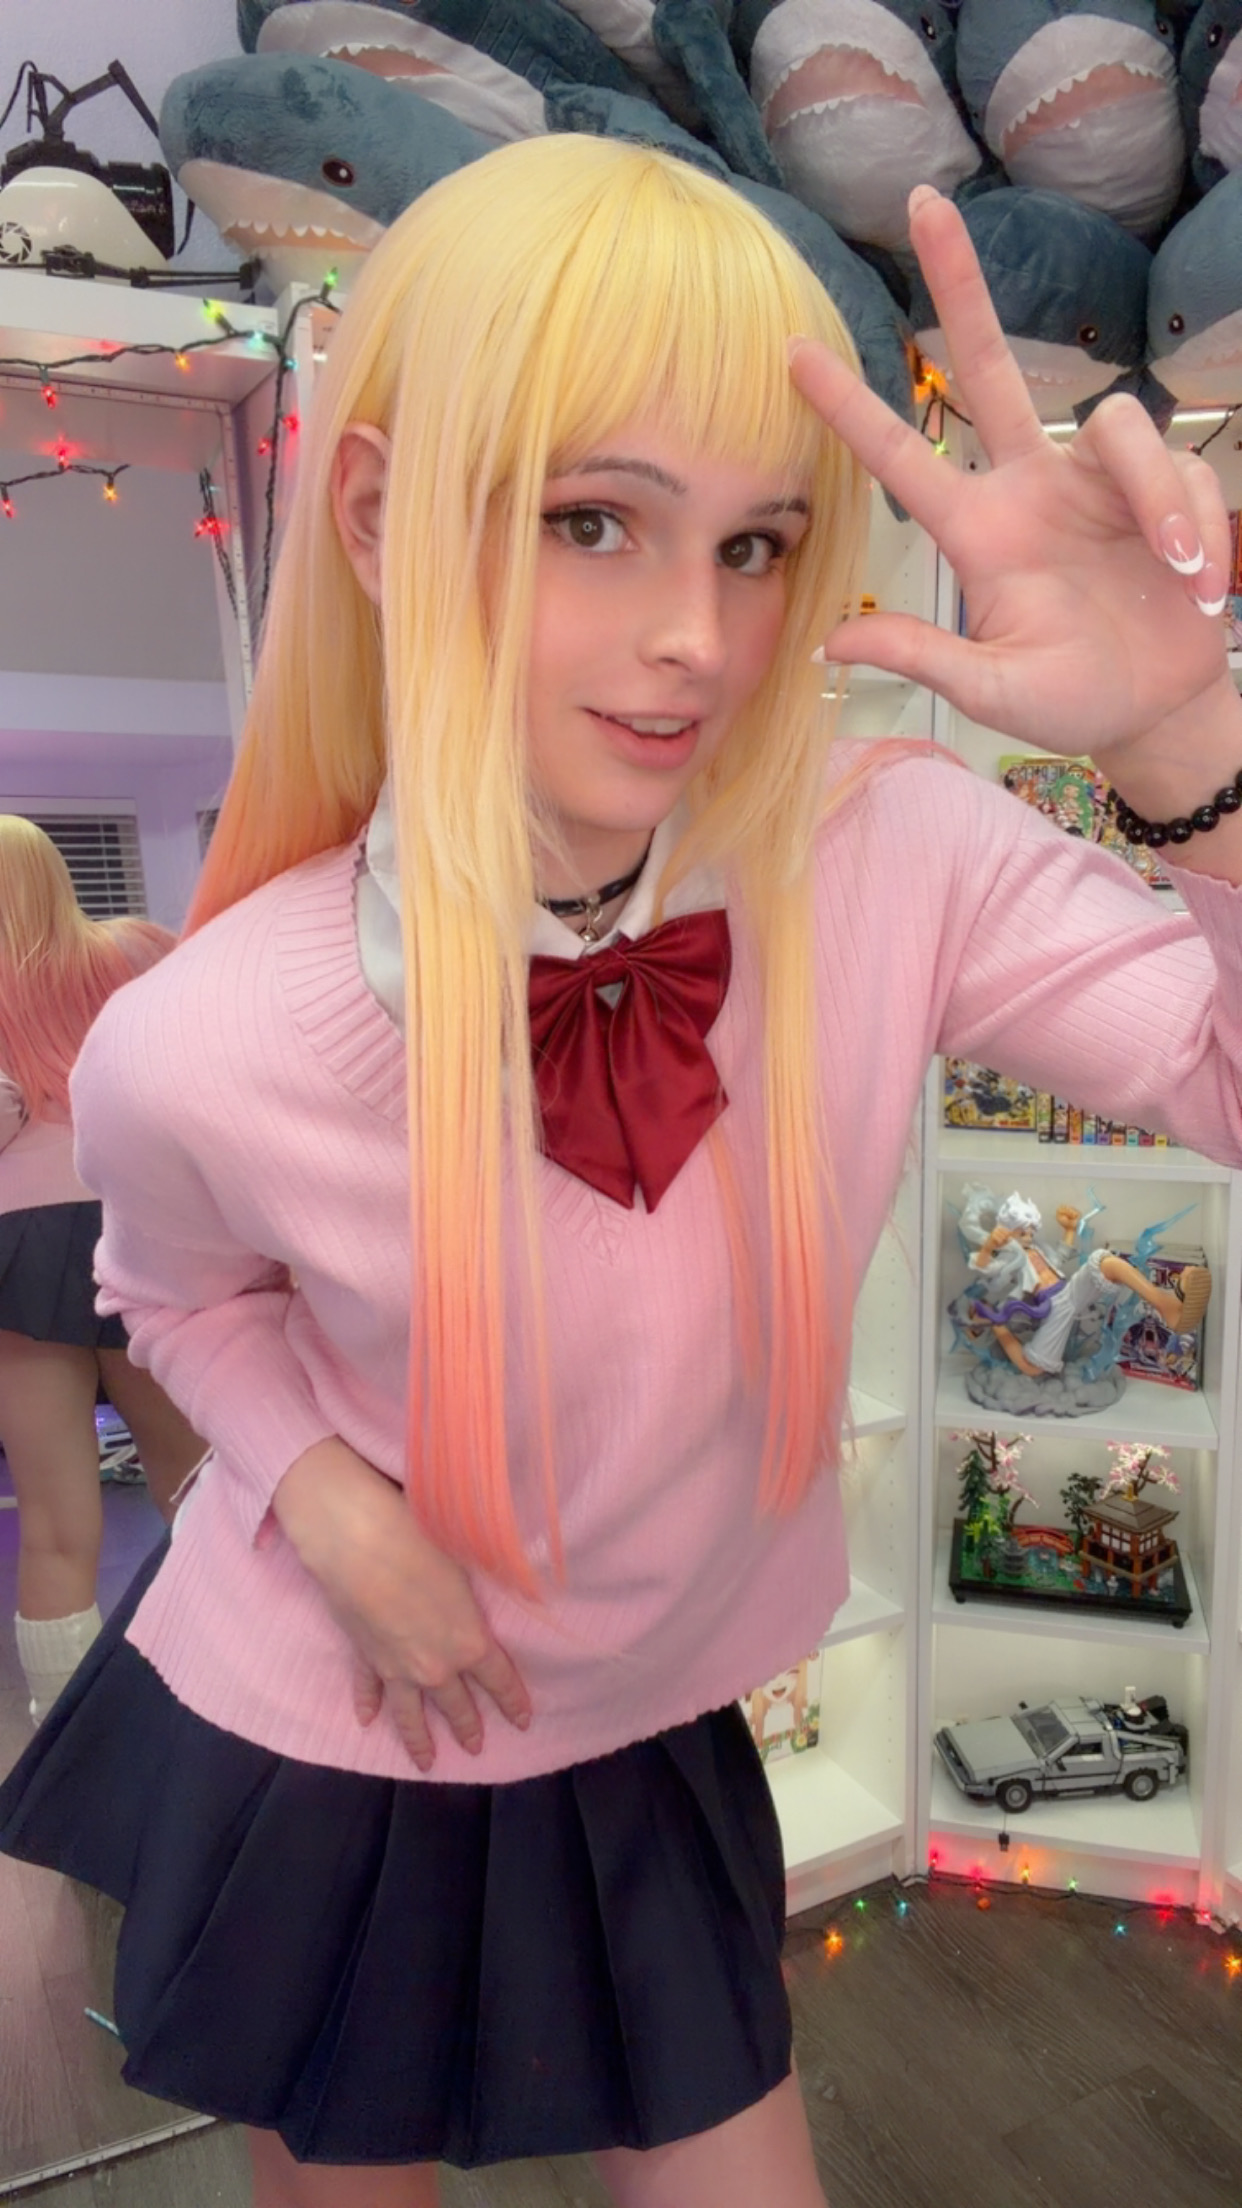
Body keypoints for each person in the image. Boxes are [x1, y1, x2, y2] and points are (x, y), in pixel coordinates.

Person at [3, 134, 1242, 2208]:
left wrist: (1190, 740)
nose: (695, 636)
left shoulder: (885, 850)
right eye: (595, 519)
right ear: (380, 517)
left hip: (649, 1720)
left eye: (757, 545)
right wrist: (327, 1502)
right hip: (339, 1705)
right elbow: (173, 1295)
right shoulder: (196, 1037)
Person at [0, 818, 206, 1723]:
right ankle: (227, 1712)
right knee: (200, 1487)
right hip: (139, 1222)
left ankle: (63, 1747)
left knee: (53, 1523)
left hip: (14, 1249)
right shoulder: (139, 951)